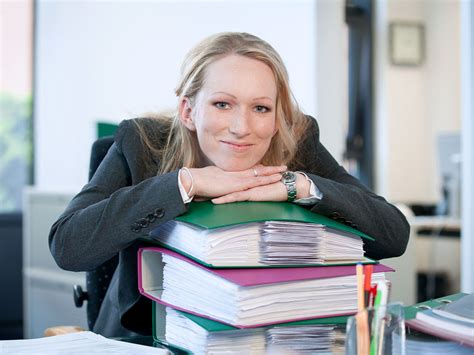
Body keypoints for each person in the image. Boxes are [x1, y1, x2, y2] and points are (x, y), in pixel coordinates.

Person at [49, 32, 410, 337]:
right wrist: (183, 182)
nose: (242, 127)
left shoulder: (297, 143)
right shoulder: (141, 144)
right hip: (151, 338)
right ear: (189, 111)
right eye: (223, 104)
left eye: (261, 108)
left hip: (264, 336)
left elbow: (394, 235)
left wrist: (299, 185)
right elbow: (68, 246)